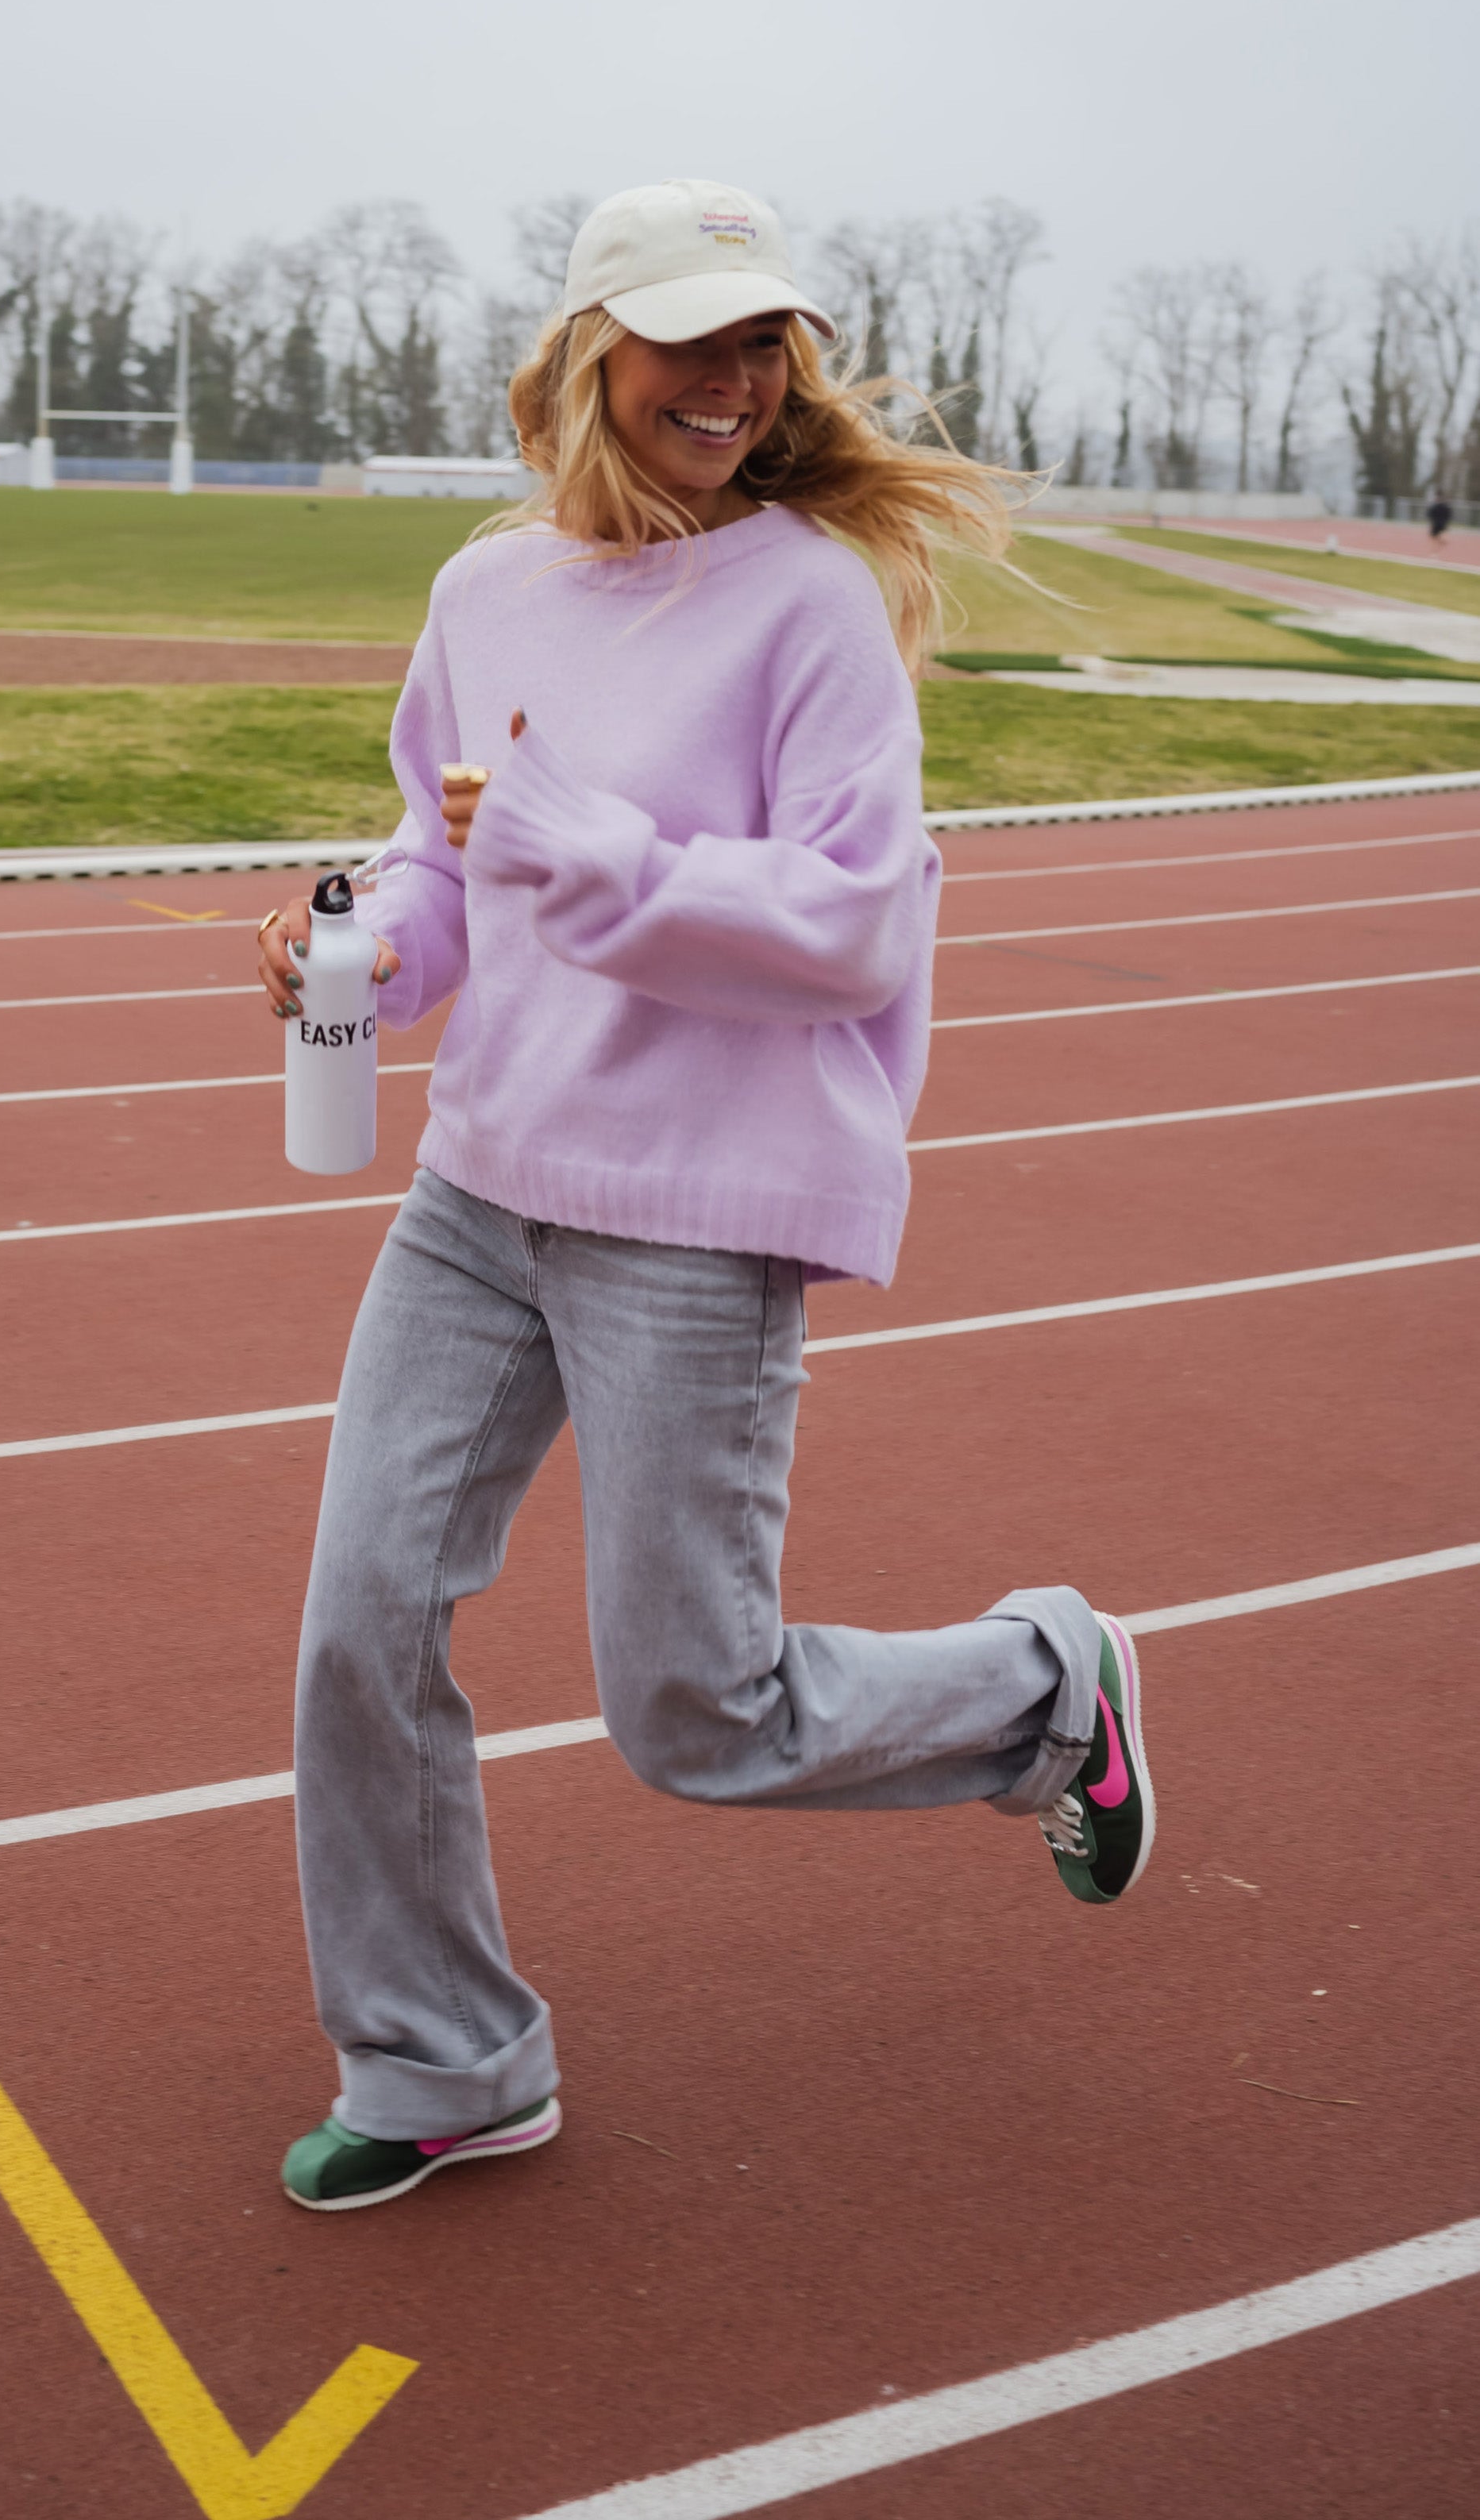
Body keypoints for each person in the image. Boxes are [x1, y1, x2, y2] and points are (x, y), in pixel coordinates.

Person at [254, 179, 1157, 2216]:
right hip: (480, 1184)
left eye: (765, 344)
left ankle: (1040, 1690)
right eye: (692, 340)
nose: (736, 381)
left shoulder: (810, 602)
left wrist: (593, 845)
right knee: (356, 1629)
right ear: (593, 351)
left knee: (696, 1709)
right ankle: (440, 2058)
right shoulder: (486, 588)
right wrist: (376, 954)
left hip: (694, 1209)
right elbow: (437, 850)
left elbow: (848, 929)